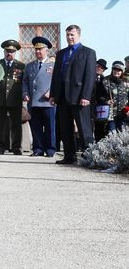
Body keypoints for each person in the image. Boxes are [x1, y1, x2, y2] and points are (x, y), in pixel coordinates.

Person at [50, 25, 96, 165]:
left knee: (84, 128)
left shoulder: (88, 52)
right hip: (63, 96)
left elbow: (90, 76)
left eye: (72, 35)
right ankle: (69, 156)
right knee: (65, 128)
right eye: (68, 35)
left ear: (79, 35)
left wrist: (86, 96)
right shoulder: (61, 53)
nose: (69, 37)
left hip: (79, 96)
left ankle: (90, 157)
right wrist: (53, 94)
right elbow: (56, 75)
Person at [22, 37, 57, 157]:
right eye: (36, 49)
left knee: (50, 127)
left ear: (46, 50)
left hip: (48, 101)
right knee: (36, 127)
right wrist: (25, 93)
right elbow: (25, 81)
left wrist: (52, 92)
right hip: (33, 101)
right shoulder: (30, 66)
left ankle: (50, 149)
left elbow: (57, 82)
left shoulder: (53, 65)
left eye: (40, 49)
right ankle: (38, 149)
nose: (38, 51)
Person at [0, 39, 26, 155]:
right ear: (4, 52)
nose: (9, 53)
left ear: (15, 53)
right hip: (0, 99)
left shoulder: (21, 66)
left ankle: (16, 147)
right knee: (0, 125)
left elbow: (24, 82)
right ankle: (0, 147)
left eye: (12, 51)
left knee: (16, 125)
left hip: (15, 99)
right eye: (7, 51)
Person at [106, 61, 129, 132]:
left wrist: (128, 109)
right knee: (112, 133)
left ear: (122, 72)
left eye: (119, 70)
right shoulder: (105, 81)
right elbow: (99, 95)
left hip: (124, 114)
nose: (116, 72)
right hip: (110, 115)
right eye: (115, 69)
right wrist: (106, 101)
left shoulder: (126, 82)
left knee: (123, 133)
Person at [92, 59, 111, 141]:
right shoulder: (88, 77)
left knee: (100, 128)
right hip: (89, 105)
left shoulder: (105, 80)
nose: (99, 68)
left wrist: (105, 100)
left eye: (102, 68)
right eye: (98, 66)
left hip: (101, 108)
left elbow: (105, 94)